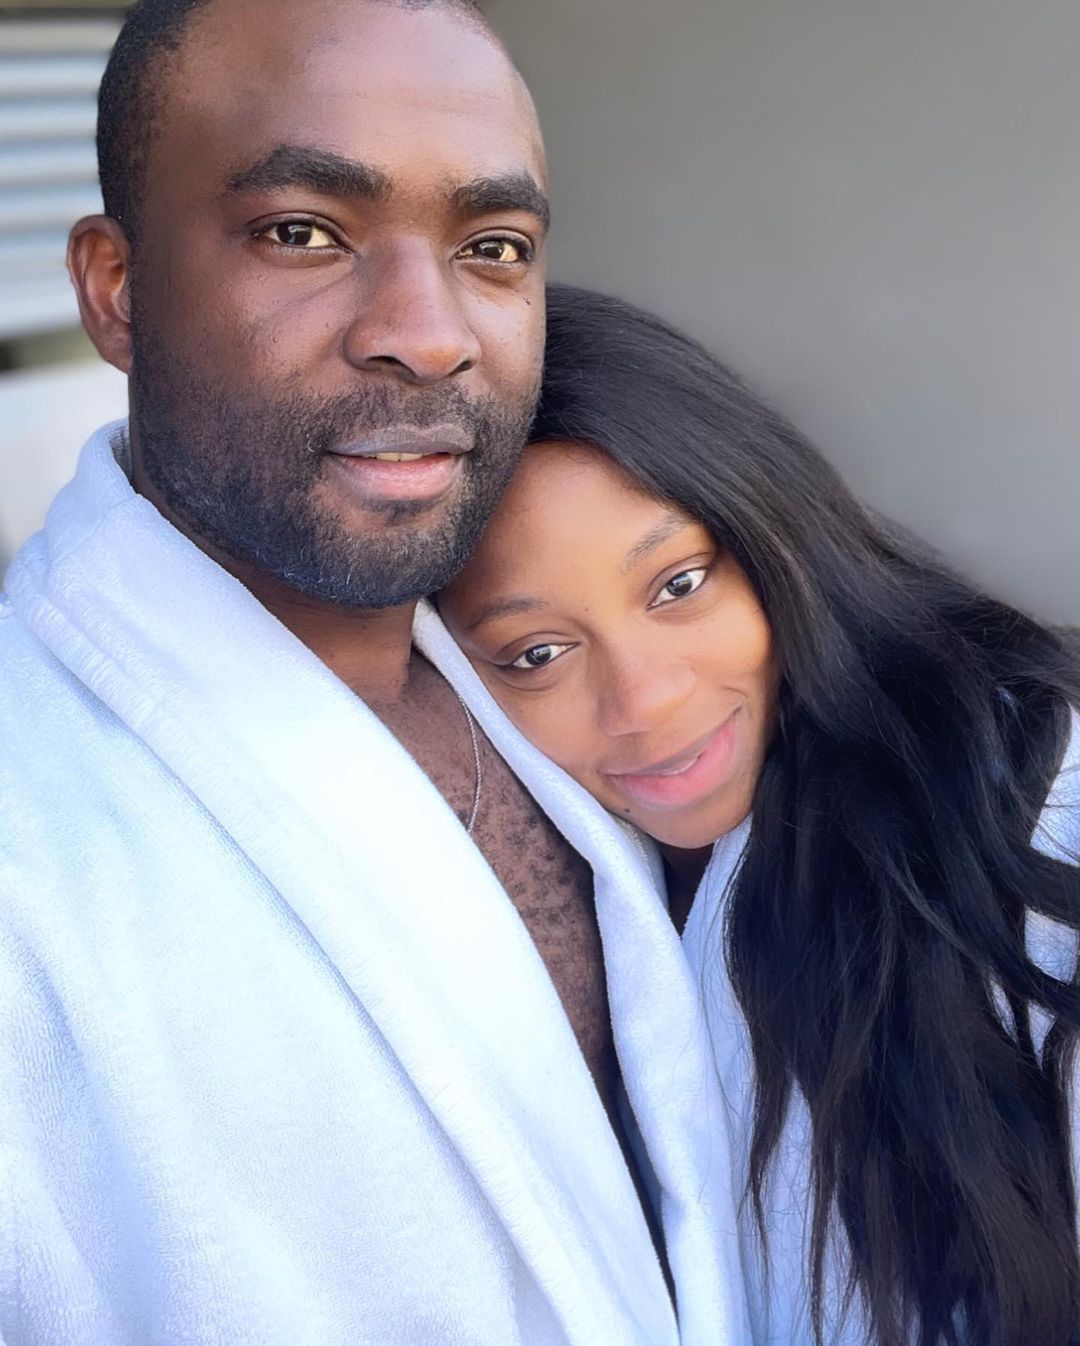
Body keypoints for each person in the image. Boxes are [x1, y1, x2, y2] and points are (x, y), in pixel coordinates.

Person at [0, 8, 750, 1345]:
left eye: (492, 247)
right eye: (303, 231)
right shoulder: (31, 839)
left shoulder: (533, 665)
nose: (429, 333)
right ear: (116, 290)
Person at [437, 284, 1080, 1346]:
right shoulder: (542, 918)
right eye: (537, 654)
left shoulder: (1027, 803)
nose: (648, 700)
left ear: (775, 532)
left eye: (678, 584)